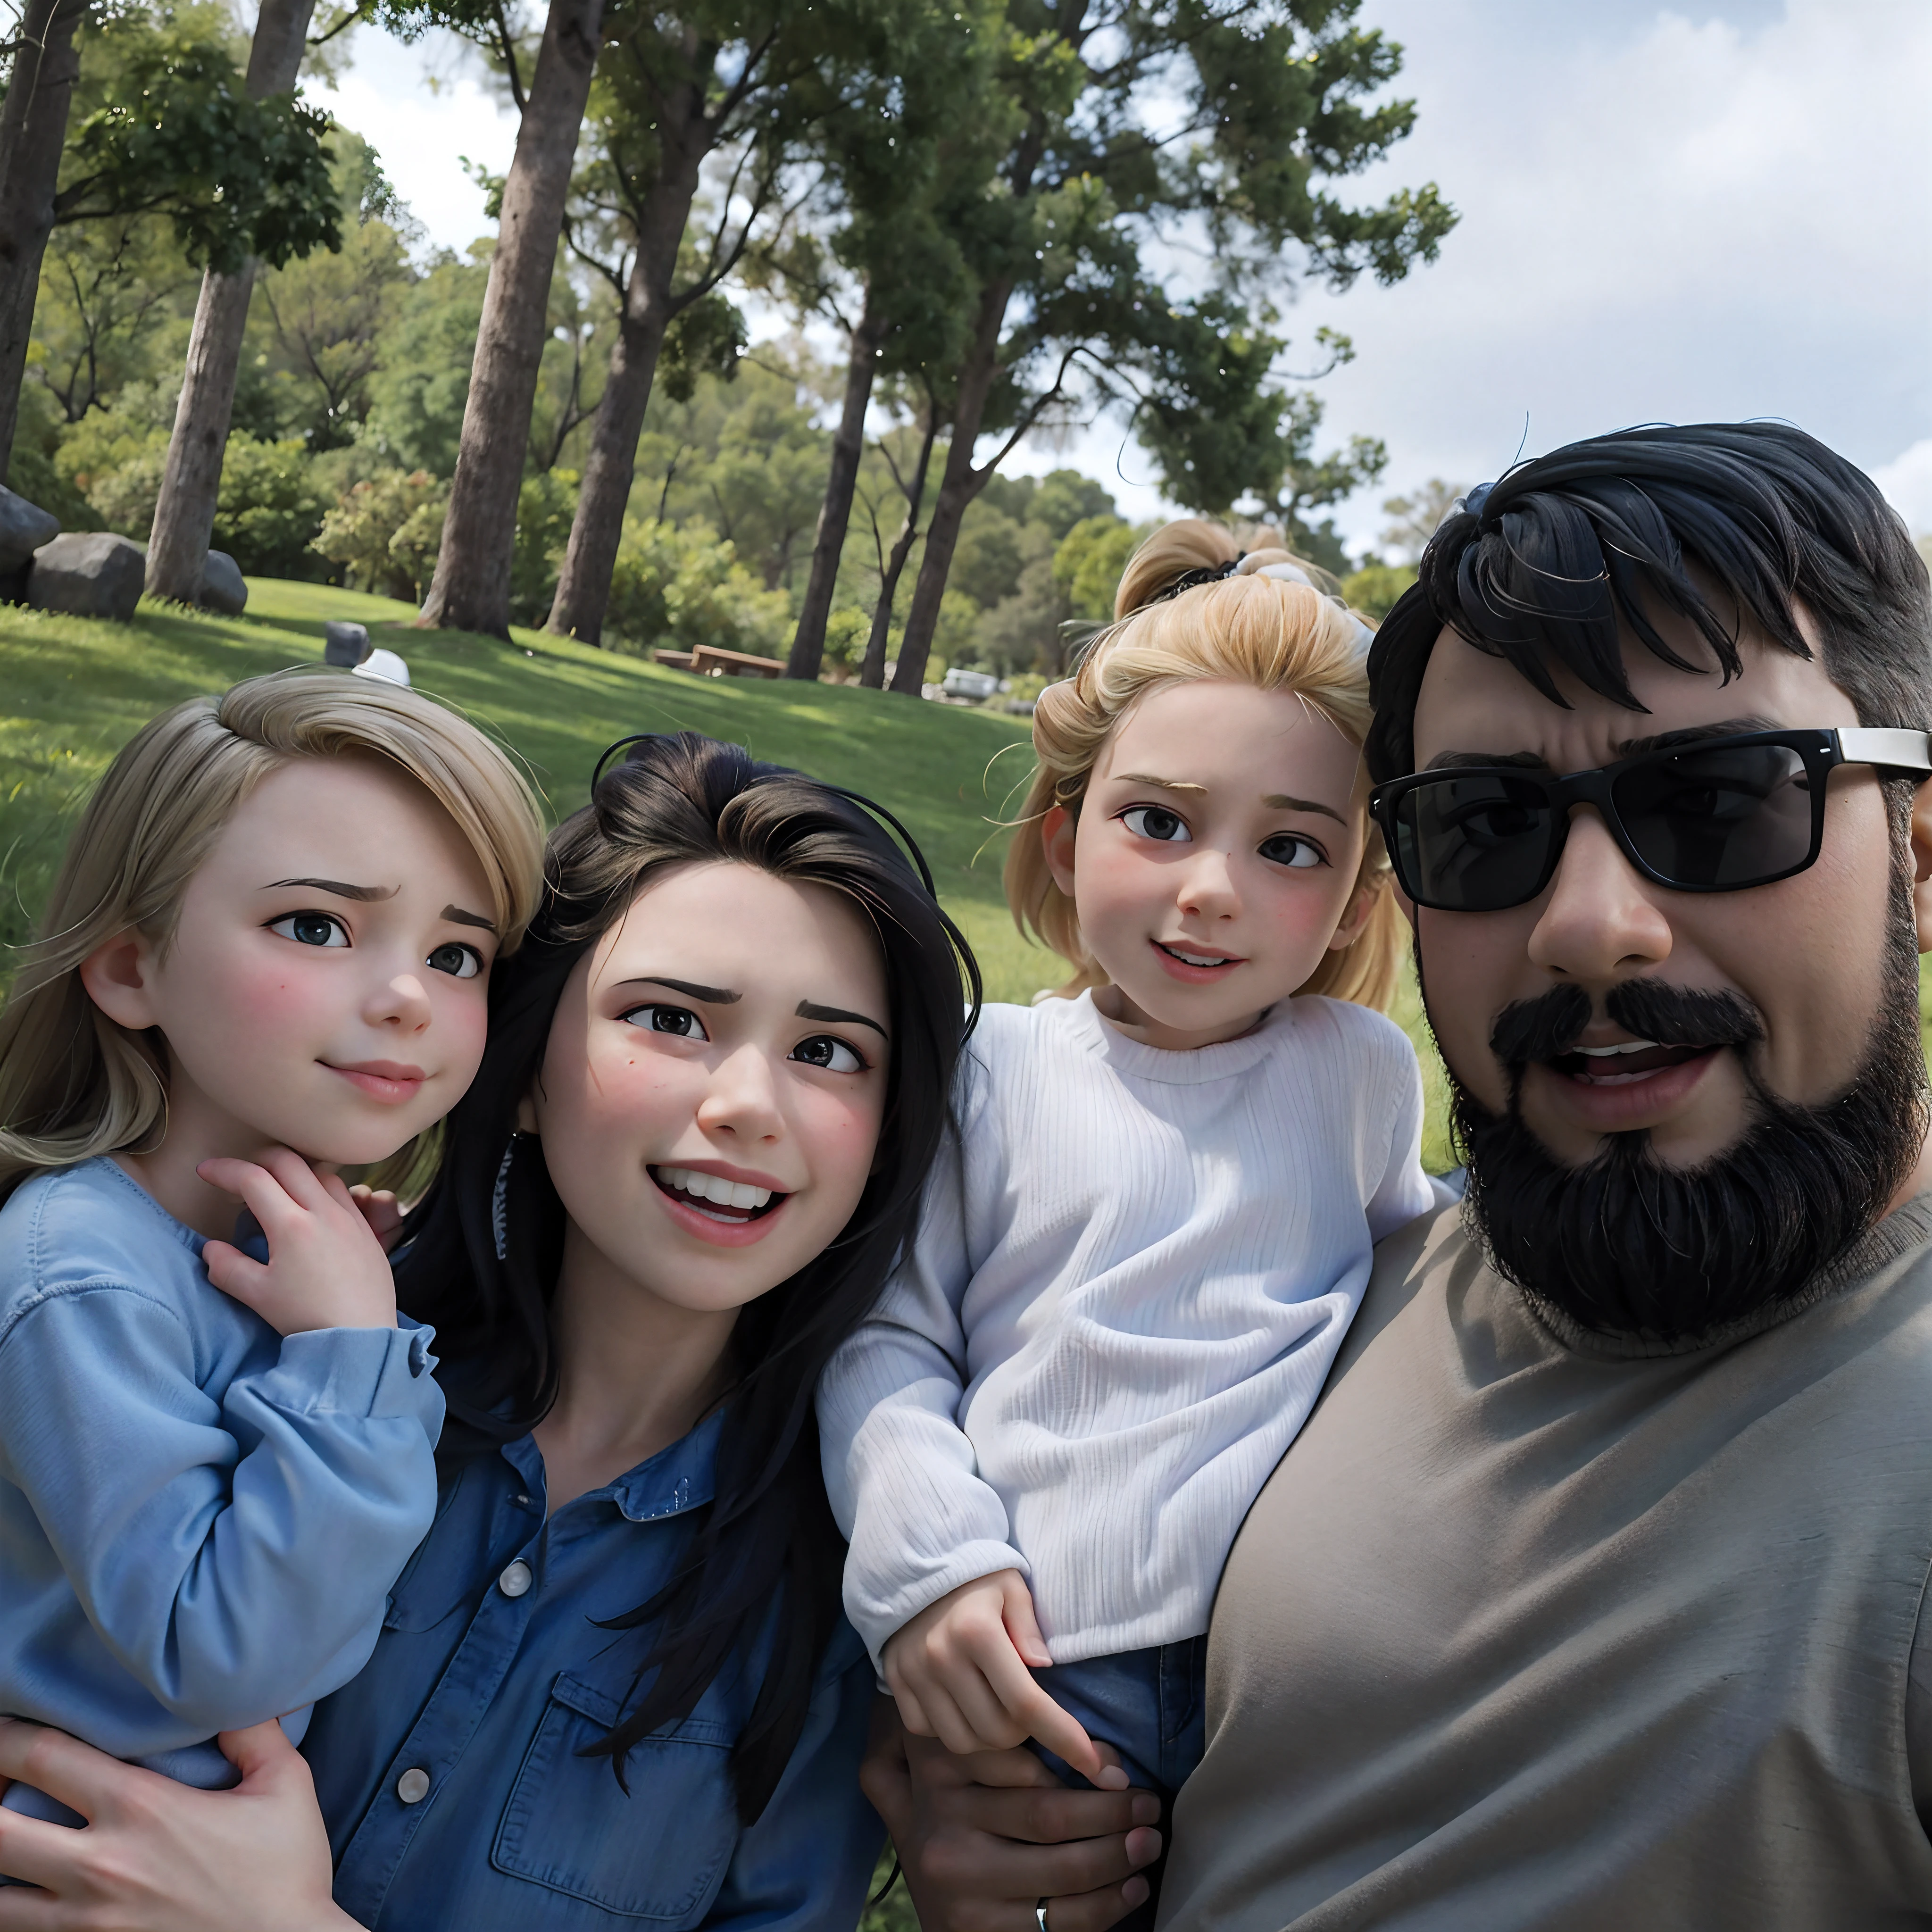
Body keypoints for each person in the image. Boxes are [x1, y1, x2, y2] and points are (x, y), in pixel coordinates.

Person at [1149, 423, 1932, 1929]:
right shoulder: (1336, 1274)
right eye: (1488, 826)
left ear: (1920, 855)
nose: (1588, 926)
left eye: (1718, 799)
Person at [0, 731, 979, 1929]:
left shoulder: (843, 1589)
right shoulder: (277, 1342)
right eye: (670, 1019)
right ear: (523, 1064)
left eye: (828, 1052)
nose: (745, 1107)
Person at [817, 519, 1437, 1914]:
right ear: (1066, 827)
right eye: (1158, 821)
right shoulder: (993, 1069)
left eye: (1291, 847)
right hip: (1044, 1655)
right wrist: (928, 1566)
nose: (1212, 890)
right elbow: (885, 1341)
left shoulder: (1358, 1074)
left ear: (1351, 896)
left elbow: (1410, 1315)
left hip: (1286, 1671)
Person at [0, 671, 545, 1830]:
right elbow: (222, 1651)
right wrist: (349, 1353)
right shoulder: (79, 1270)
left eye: (458, 954)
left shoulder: (280, 1245)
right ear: (130, 967)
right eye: (316, 925)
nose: (406, 994)